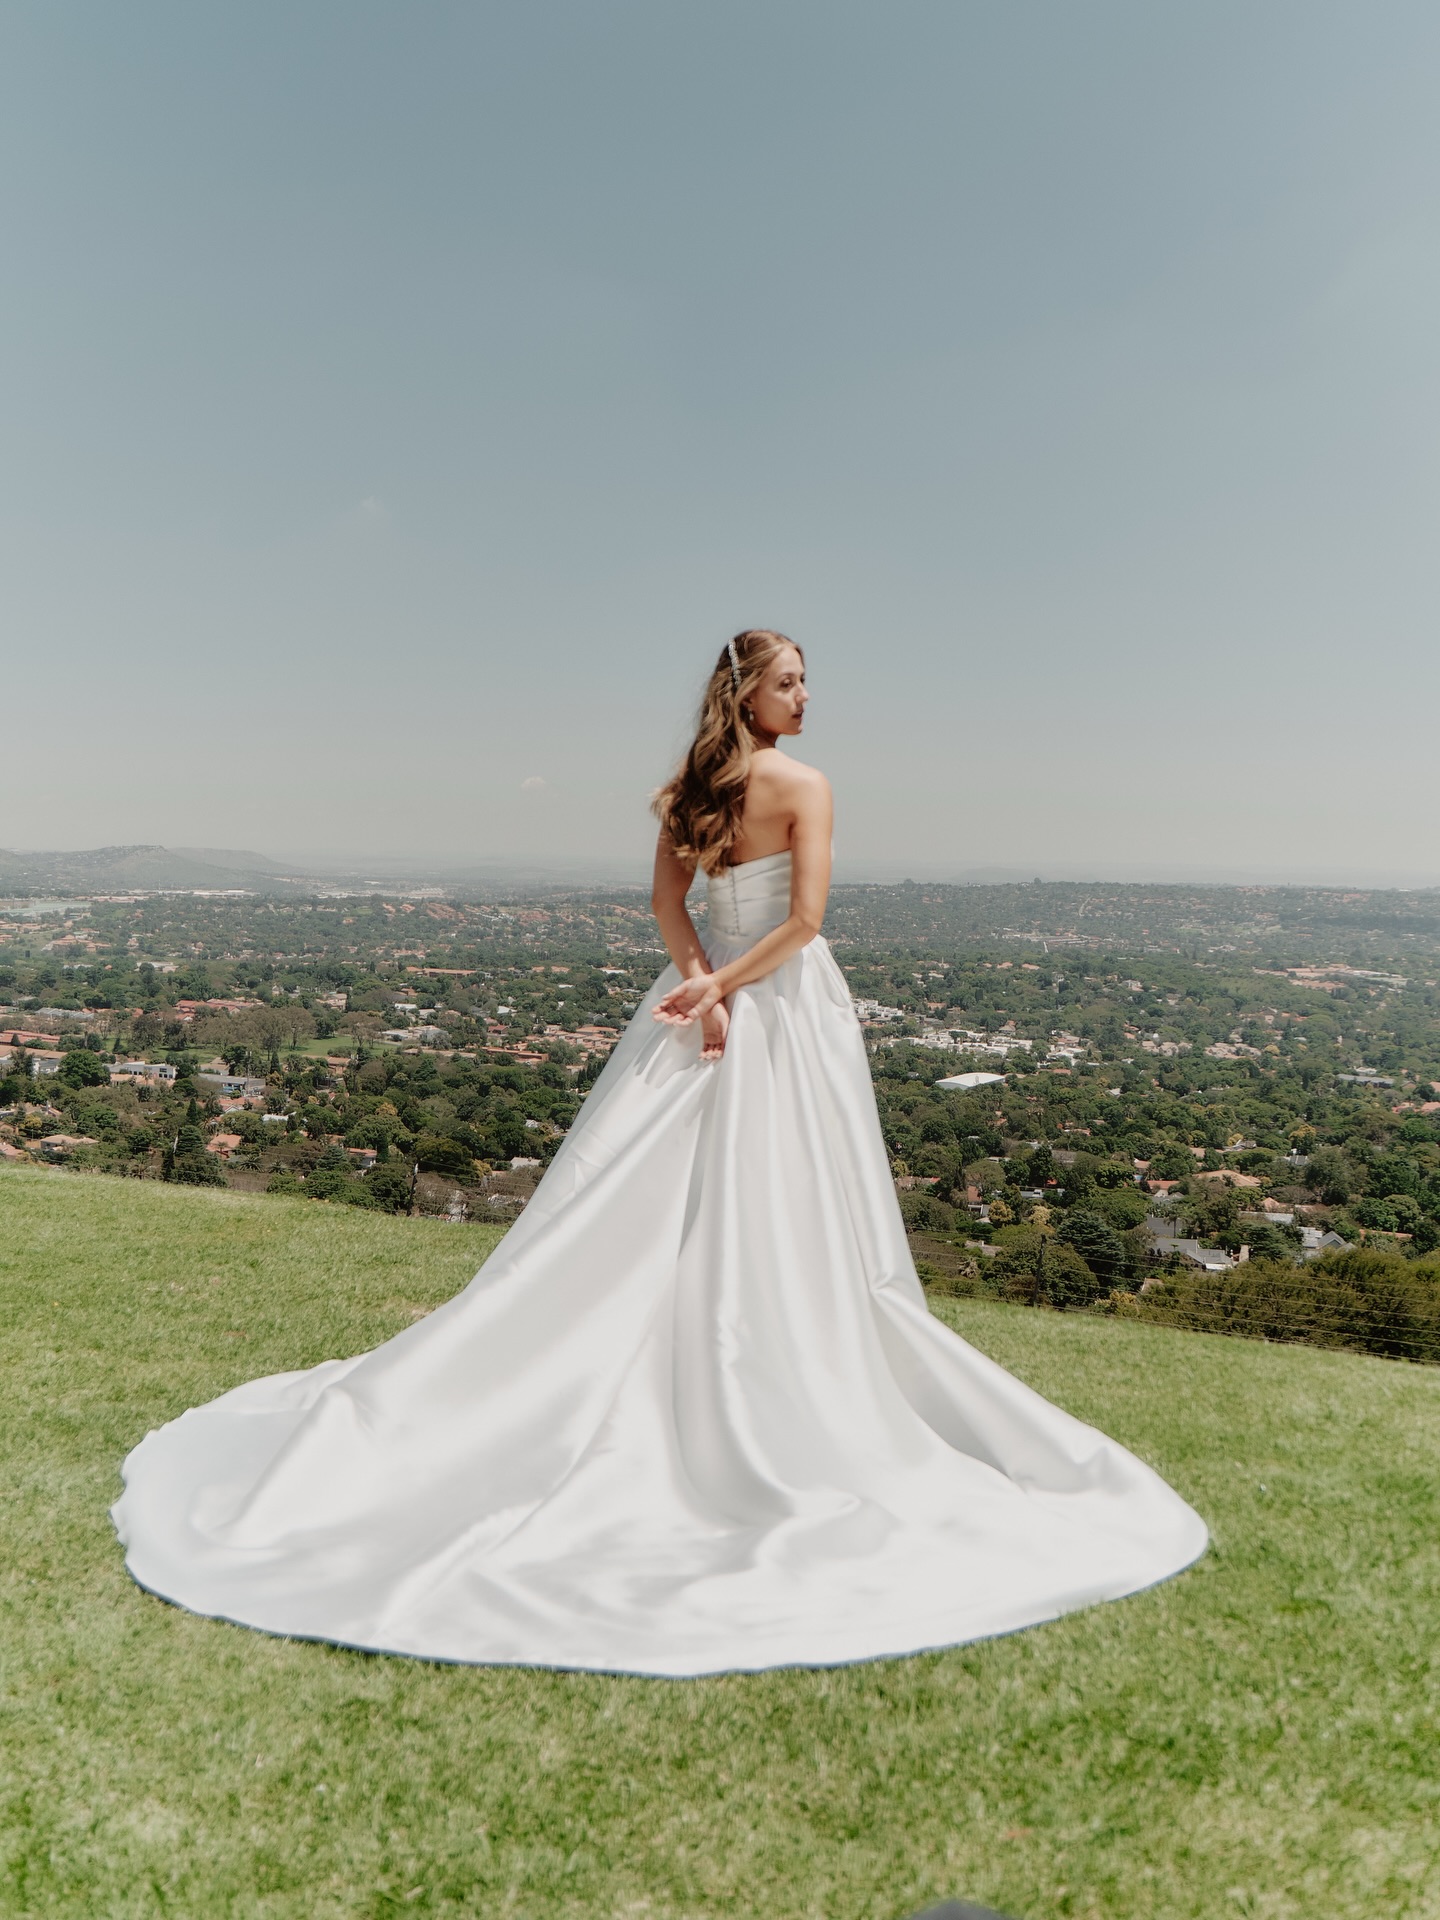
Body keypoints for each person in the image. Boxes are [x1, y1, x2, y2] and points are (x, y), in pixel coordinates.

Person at [113, 629, 1206, 1676]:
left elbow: (667, 906)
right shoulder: (806, 787)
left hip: (699, 997)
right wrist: (724, 990)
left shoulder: (687, 790)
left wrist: (698, 982)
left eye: (806, 681)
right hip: (779, 1004)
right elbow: (805, 924)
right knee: (764, 1193)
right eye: (791, 681)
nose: (806, 698)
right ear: (748, 692)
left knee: (669, 1189)